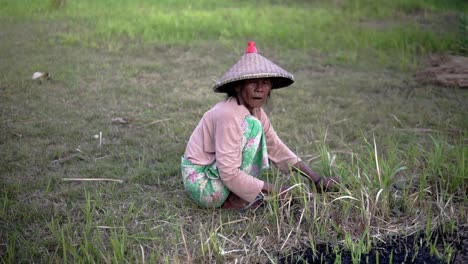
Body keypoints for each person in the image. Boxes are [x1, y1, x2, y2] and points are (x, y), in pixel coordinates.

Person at [181, 41, 339, 210]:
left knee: (255, 126)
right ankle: (233, 200)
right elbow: (228, 173)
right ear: (237, 85)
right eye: (252, 83)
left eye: (265, 83)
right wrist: (279, 191)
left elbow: (275, 146)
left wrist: (315, 179)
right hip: (203, 183)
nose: (259, 89)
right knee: (253, 127)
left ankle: (243, 195)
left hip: (218, 174)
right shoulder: (228, 114)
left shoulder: (255, 111)